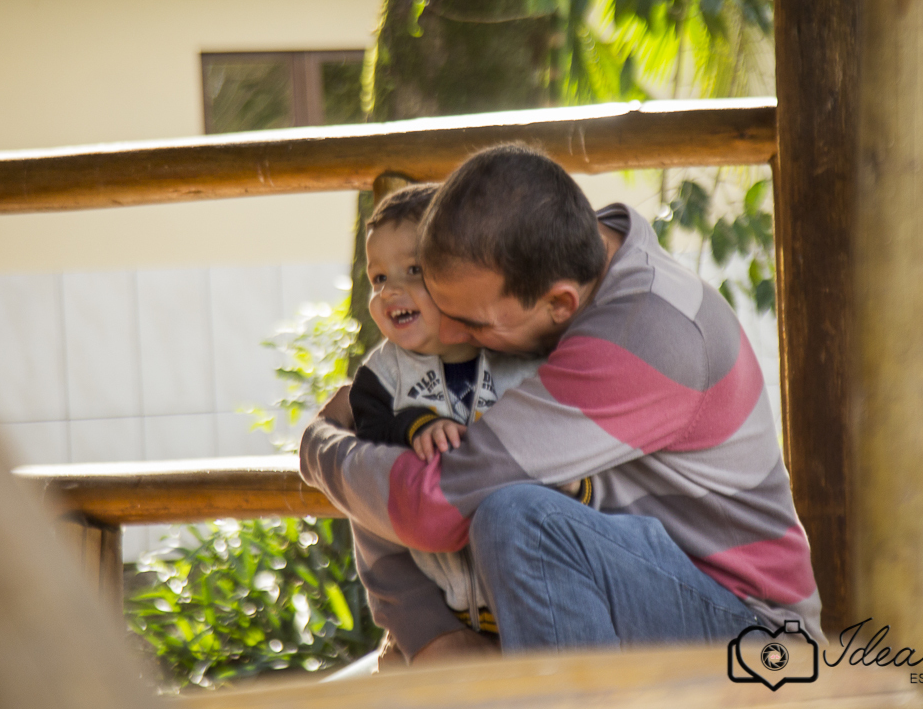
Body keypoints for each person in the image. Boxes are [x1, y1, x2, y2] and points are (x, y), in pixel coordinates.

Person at [300, 144, 824, 664]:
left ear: (559, 303)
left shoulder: (644, 336)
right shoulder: (556, 254)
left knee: (519, 519)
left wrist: (321, 445)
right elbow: (392, 489)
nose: (453, 332)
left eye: (475, 323)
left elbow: (430, 504)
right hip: (643, 580)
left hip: (756, 632)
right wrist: (428, 631)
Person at [348, 184, 571, 650]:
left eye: (413, 270)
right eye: (379, 278)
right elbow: (368, 435)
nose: (392, 291)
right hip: (447, 608)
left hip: (538, 595)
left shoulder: (520, 354)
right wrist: (415, 425)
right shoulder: (381, 377)